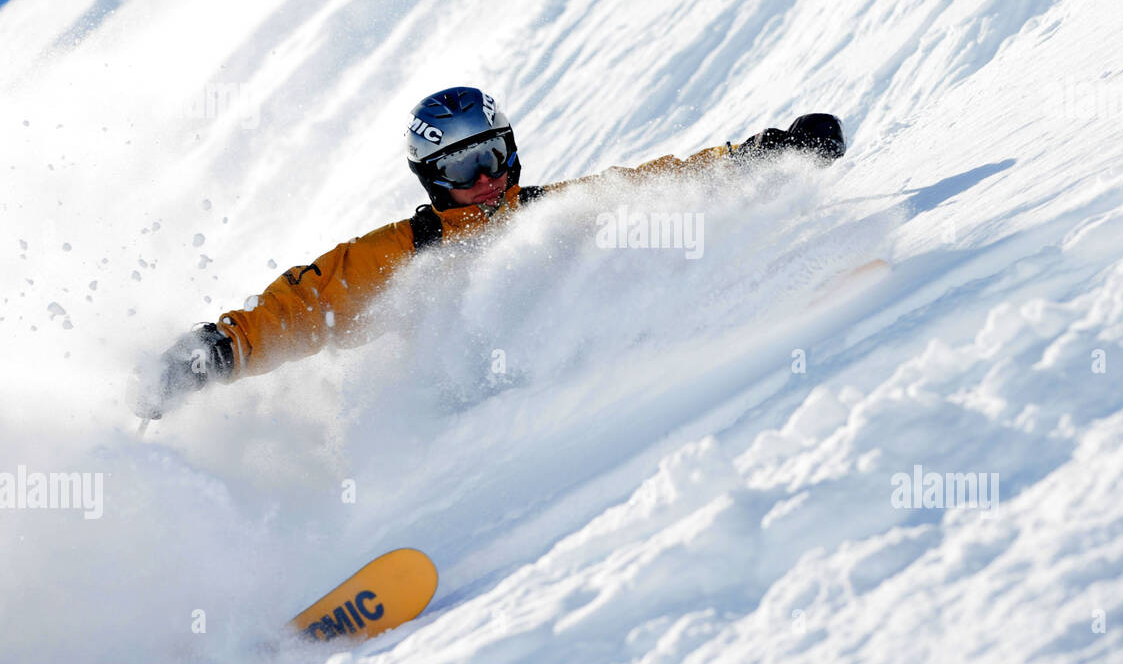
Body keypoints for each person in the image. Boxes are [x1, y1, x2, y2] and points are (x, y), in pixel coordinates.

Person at [133, 86, 846, 419]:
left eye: (495, 158)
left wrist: (764, 153)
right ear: (430, 181)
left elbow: (653, 186)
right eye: (460, 171)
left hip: (579, 394)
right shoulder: (397, 254)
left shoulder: (551, 212)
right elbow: (306, 300)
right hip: (451, 420)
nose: (486, 183)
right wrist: (217, 351)